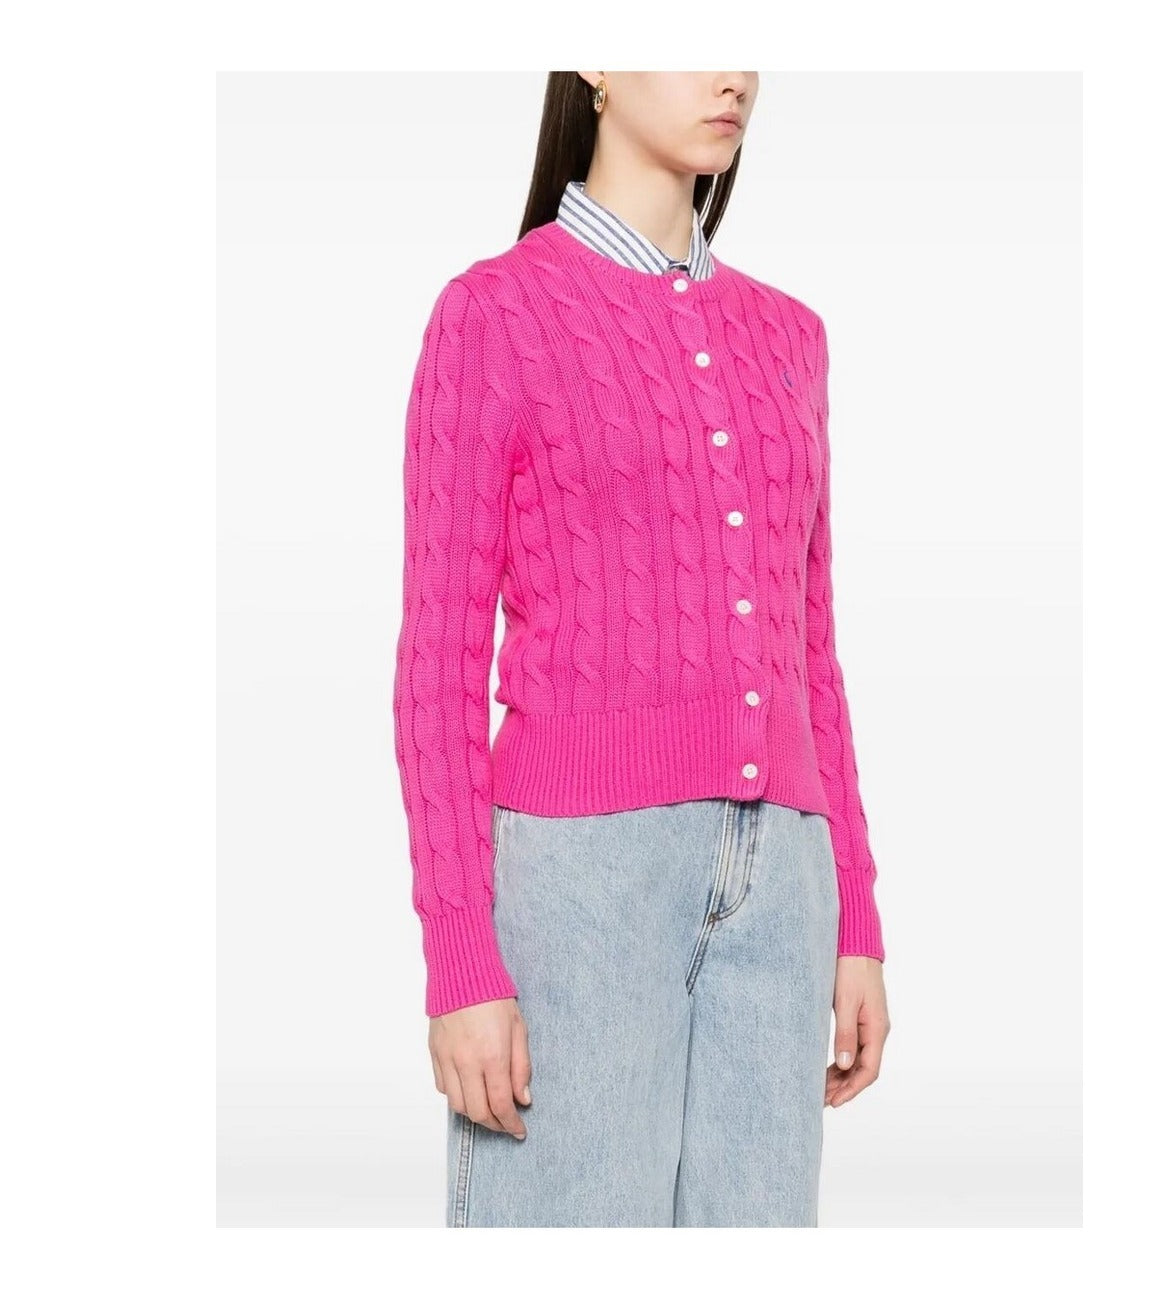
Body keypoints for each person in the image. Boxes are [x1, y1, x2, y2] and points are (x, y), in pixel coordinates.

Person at [392, 71, 891, 1228]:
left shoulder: (790, 336)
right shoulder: (494, 314)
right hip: (585, 885)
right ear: (596, 65)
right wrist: (460, 957)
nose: (733, 73)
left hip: (784, 888)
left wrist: (854, 916)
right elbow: (438, 663)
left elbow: (811, 648)